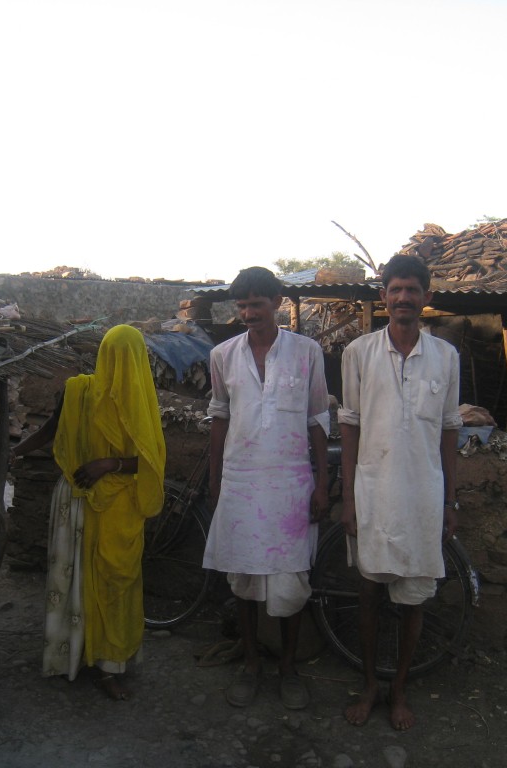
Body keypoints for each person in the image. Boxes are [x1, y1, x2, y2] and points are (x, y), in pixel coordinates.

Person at [338, 253, 462, 730]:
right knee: (369, 592)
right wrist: (348, 497)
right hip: (373, 490)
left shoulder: (446, 357)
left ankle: (400, 689)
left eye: (413, 290)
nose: (403, 298)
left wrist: (451, 500)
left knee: (414, 597)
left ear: (426, 298)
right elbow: (348, 426)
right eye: (395, 290)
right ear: (383, 296)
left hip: (424, 496)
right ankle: (370, 684)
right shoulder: (359, 353)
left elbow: (450, 429)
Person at [12, 324, 166, 701]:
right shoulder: (77, 390)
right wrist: (11, 453)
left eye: (127, 356)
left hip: (117, 509)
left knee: (116, 584)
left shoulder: (140, 402)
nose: (121, 363)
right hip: (77, 504)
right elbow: (50, 430)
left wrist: (109, 464)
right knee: (77, 583)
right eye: (115, 354)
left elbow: (149, 461)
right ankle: (75, 656)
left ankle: (110, 664)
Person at [202, 266, 330, 710]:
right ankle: (252, 663)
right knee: (244, 580)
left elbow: (317, 419)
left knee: (291, 582)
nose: (248, 313)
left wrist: (322, 482)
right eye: (241, 305)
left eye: (257, 304)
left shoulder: (307, 352)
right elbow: (220, 417)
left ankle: (289, 668)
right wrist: (216, 482)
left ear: (277, 302)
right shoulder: (222, 355)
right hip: (241, 482)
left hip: (292, 483)